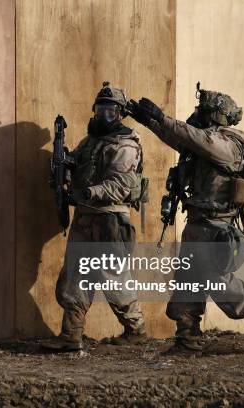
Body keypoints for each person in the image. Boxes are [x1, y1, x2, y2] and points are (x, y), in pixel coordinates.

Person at [129, 86, 244, 354]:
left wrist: (161, 115)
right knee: (187, 281)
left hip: (215, 227)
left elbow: (191, 136)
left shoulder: (227, 145)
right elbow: (179, 138)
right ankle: (187, 340)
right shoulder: (206, 142)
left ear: (216, 116)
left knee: (217, 282)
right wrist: (149, 120)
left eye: (202, 111)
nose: (196, 115)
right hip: (199, 222)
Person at [42, 82, 148, 351]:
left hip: (109, 220)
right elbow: (78, 161)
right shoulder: (90, 141)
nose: (104, 115)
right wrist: (64, 163)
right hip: (85, 217)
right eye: (100, 109)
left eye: (110, 110)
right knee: (75, 277)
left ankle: (136, 330)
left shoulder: (126, 144)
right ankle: (71, 336)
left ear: (120, 113)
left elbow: (121, 184)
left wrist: (88, 192)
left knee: (113, 279)